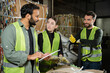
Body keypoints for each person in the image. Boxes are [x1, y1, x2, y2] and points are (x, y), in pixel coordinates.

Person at [1, 3, 49, 73]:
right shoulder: (11, 29)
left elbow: (34, 50)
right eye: (36, 16)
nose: (38, 19)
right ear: (28, 16)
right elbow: (9, 54)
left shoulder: (33, 31)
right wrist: (29, 56)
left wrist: (42, 55)